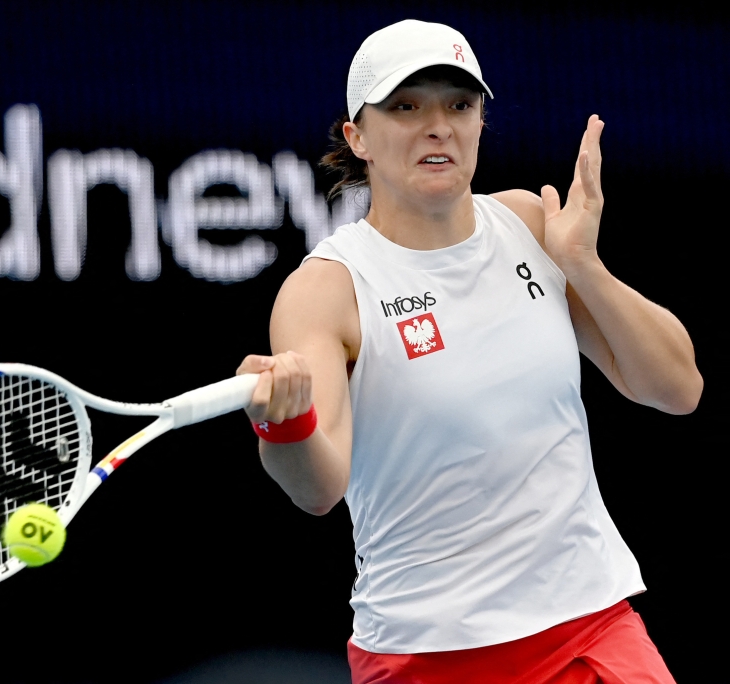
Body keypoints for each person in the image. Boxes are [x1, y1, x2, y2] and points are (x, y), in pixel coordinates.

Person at [236, 19, 702, 684]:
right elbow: (319, 489)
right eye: (405, 106)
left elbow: (678, 387)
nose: (438, 126)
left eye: (459, 105)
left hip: (589, 624)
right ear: (356, 136)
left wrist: (584, 267)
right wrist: (284, 420)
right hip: (427, 653)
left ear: (481, 121)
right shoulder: (327, 290)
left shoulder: (531, 224)